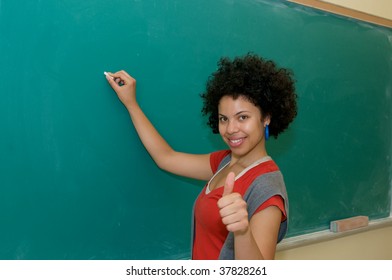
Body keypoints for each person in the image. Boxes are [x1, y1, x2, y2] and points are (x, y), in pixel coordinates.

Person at [105, 53, 297, 260]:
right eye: (224, 119)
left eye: (243, 117)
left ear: (266, 117)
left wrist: (242, 232)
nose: (231, 129)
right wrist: (131, 103)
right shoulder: (224, 162)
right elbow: (166, 158)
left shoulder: (267, 188)